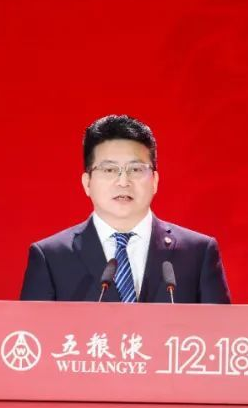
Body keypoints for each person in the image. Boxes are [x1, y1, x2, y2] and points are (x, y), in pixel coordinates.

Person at [20, 114, 231, 303]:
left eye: (136, 169)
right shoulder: (51, 257)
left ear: (155, 181)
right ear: (87, 183)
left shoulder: (197, 253)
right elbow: (32, 331)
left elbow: (221, 332)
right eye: (109, 170)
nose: (123, 182)